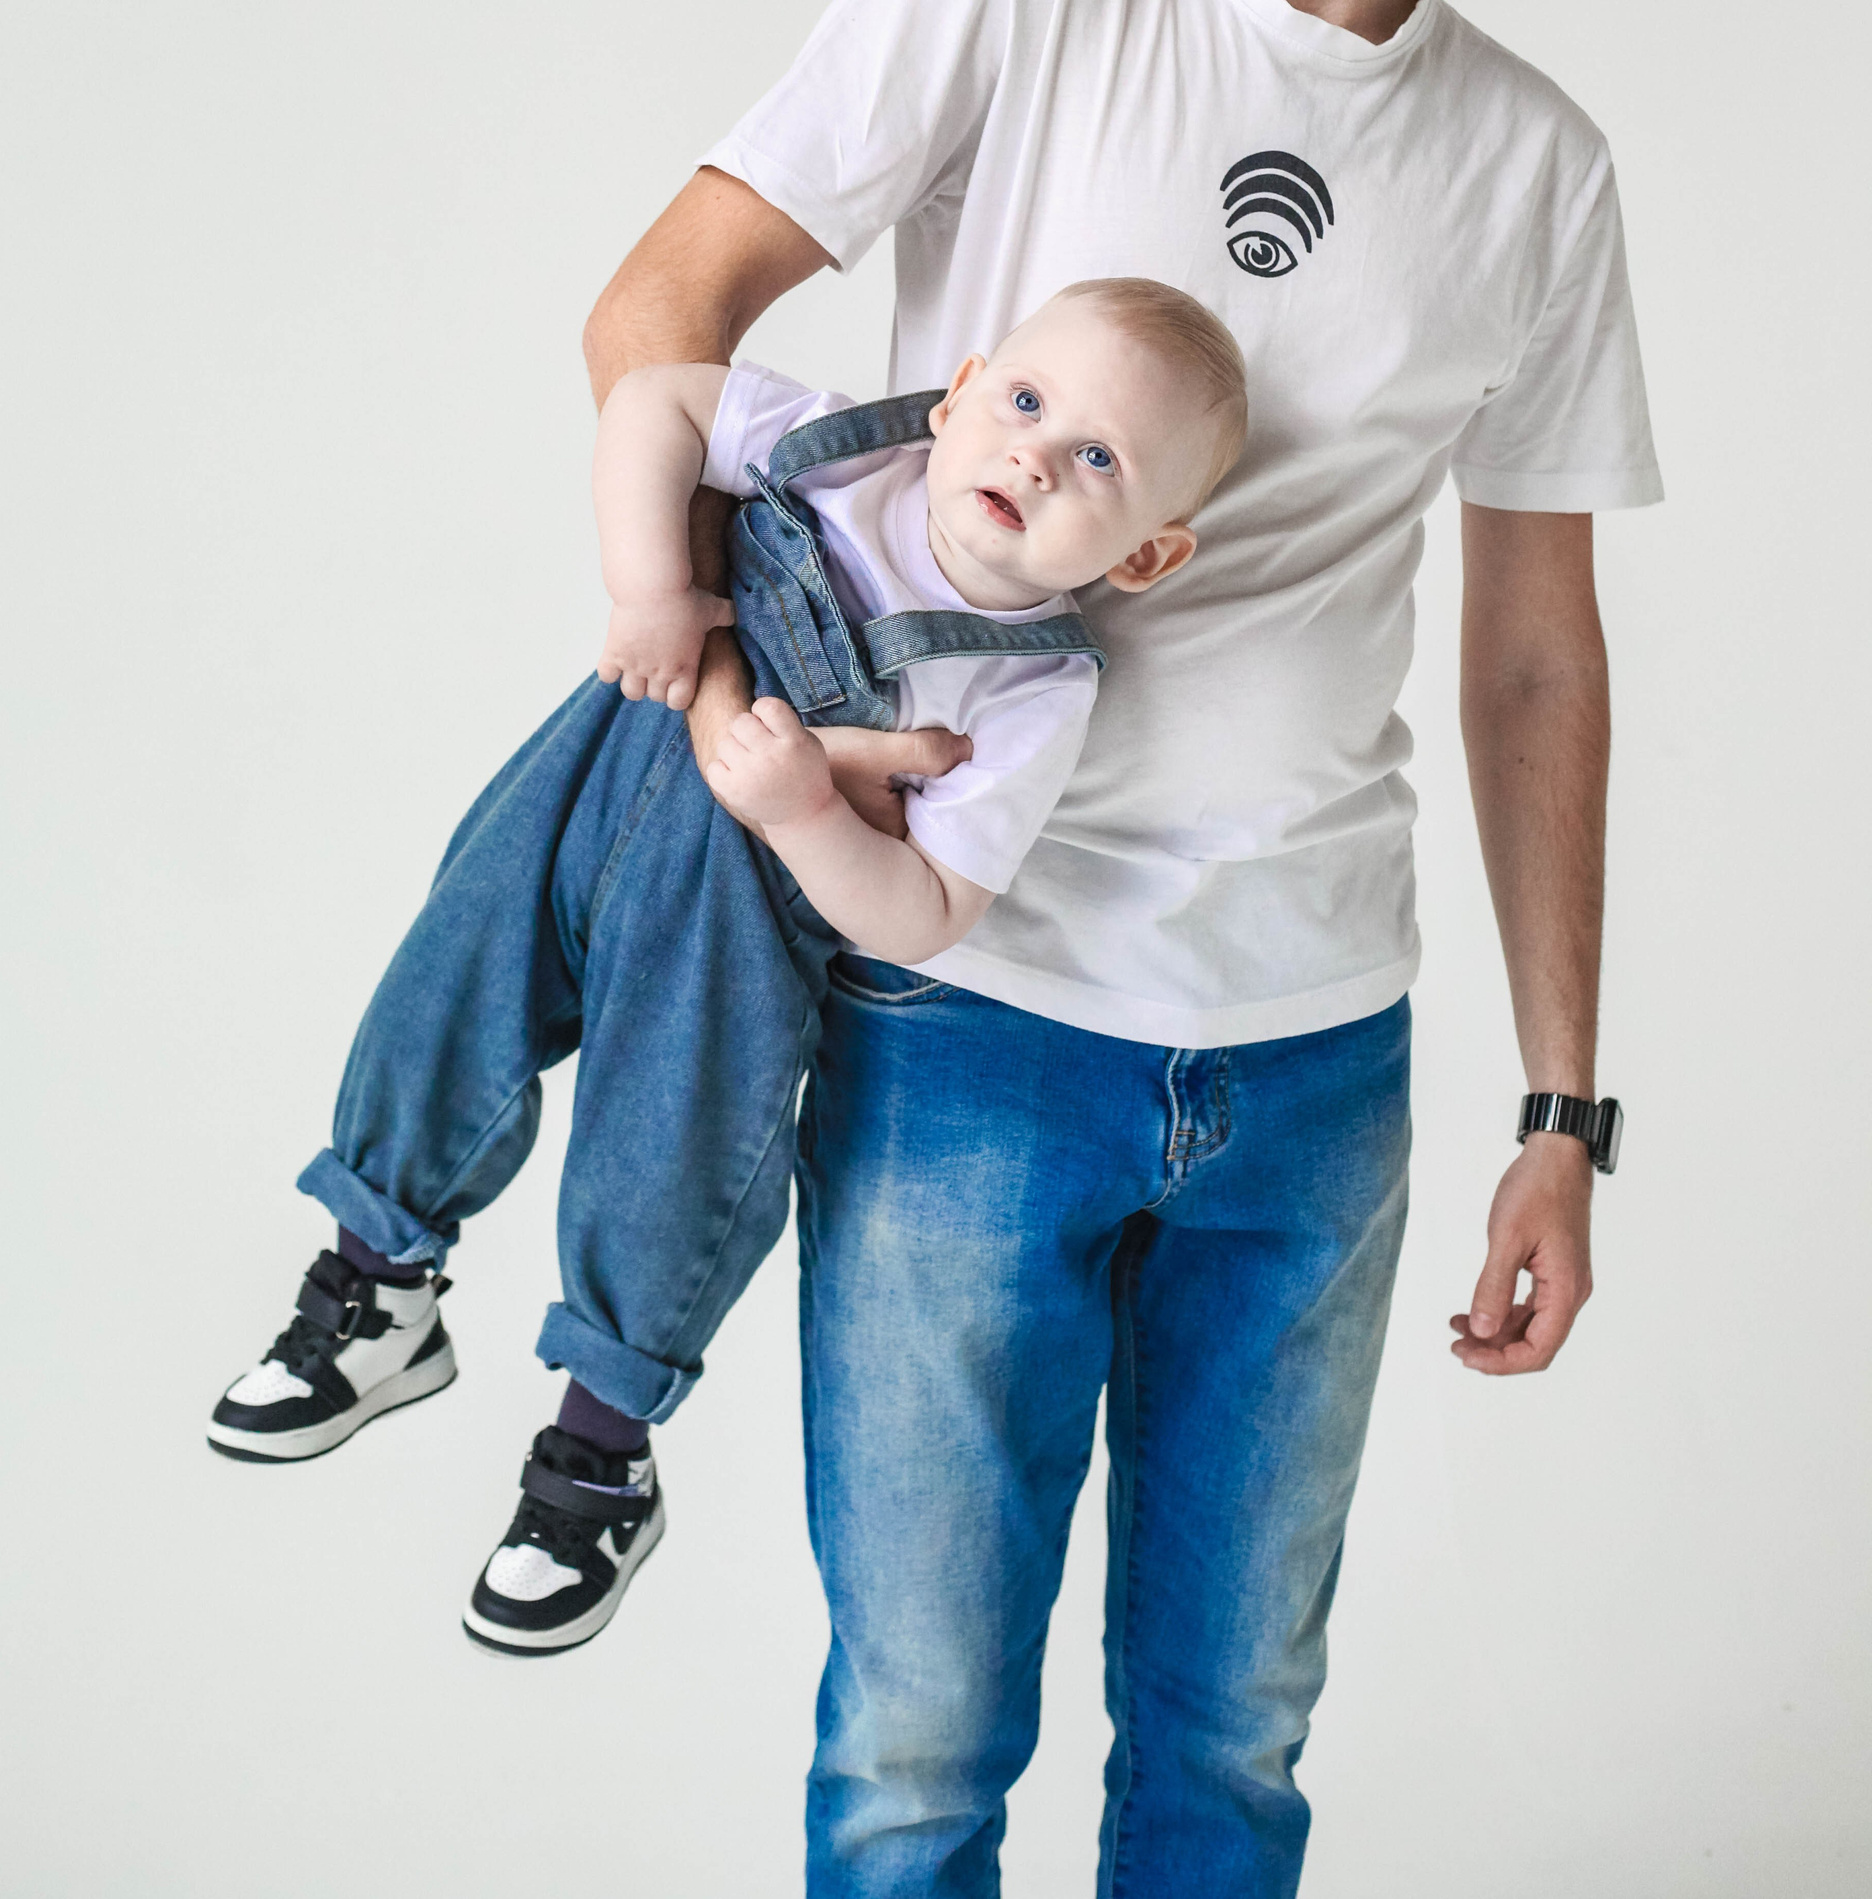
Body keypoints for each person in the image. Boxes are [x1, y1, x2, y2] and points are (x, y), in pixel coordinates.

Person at [206, 279, 1250, 1660]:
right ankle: (372, 1286)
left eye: (1098, 459)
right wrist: (651, 588)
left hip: (740, 915)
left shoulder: (1028, 688)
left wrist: (806, 813)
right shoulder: (839, 453)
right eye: (1024, 402)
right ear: (959, 393)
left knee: (671, 1148)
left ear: (1145, 558)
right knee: (449, 986)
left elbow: (930, 910)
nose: (1036, 457)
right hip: (600, 767)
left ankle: (596, 1460)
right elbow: (657, 402)